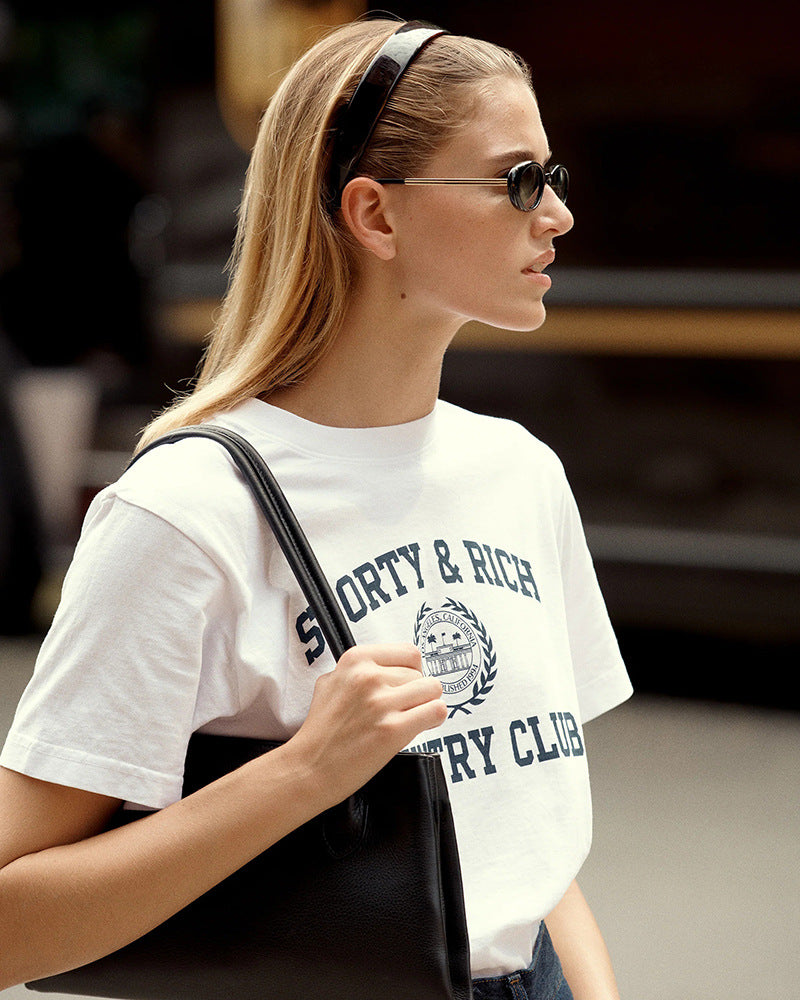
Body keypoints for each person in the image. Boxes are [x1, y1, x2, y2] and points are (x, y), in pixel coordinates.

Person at [0, 17, 633, 1000]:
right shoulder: (187, 511)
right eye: (518, 180)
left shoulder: (518, 474)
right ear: (375, 215)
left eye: (552, 180)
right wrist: (303, 775)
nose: (554, 216)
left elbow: (524, 842)